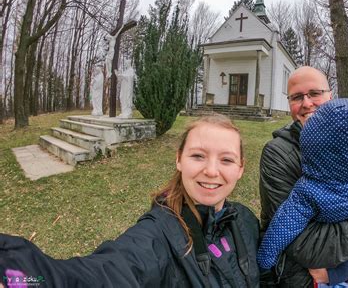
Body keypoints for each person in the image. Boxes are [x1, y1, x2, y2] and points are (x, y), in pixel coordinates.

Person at [0, 115, 260, 287]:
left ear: (240, 168)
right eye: (198, 156)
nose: (212, 171)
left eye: (226, 159)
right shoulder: (158, 234)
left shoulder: (246, 220)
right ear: (179, 159)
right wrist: (20, 275)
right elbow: (106, 274)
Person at [259, 66, 348, 287]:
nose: (306, 103)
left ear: (330, 96)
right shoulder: (278, 154)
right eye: (297, 97)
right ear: (289, 105)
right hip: (299, 278)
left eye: (314, 93)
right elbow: (301, 243)